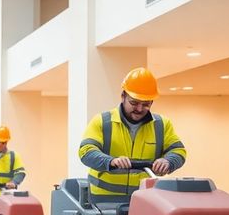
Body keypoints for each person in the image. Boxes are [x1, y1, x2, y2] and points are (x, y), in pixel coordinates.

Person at [79, 67, 187, 199]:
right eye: (134, 103)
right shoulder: (102, 121)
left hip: (146, 199)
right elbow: (86, 151)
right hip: (103, 200)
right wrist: (111, 161)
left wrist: (168, 161)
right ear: (123, 96)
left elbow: (179, 151)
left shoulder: (162, 125)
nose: (139, 109)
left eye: (146, 104)